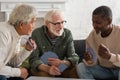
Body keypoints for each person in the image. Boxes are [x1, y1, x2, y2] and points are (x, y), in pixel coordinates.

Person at [28, 9, 79, 78]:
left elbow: (74, 57)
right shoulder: (37, 33)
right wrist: (48, 69)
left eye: (62, 22)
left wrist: (63, 63)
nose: (61, 27)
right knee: (46, 75)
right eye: (57, 23)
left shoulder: (67, 33)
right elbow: (33, 59)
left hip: (62, 67)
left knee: (77, 70)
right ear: (47, 23)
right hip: (43, 68)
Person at [77, 5, 120, 80]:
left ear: (109, 21)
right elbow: (93, 62)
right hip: (103, 71)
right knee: (81, 66)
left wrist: (110, 56)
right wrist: (90, 60)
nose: (94, 26)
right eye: (93, 22)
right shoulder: (92, 35)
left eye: (98, 22)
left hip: (119, 70)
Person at [0, 4, 37, 80]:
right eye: (32, 22)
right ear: (21, 24)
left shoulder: (16, 33)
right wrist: (19, 72)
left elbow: (12, 62)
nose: (34, 26)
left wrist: (27, 50)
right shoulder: (3, 33)